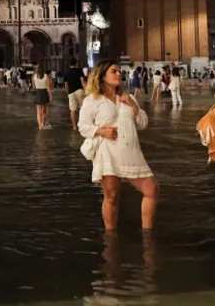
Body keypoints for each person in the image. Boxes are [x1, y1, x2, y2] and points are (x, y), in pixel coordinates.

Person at [78, 60, 157, 230]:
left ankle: (147, 234)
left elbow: (143, 123)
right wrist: (101, 131)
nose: (119, 74)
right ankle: (111, 235)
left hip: (131, 151)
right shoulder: (92, 100)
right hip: (108, 151)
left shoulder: (128, 98)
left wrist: (133, 105)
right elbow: (83, 126)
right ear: (102, 76)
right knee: (112, 196)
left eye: (119, 71)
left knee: (152, 190)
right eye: (114, 71)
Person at [64, 58, 87, 131]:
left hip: (71, 92)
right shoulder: (79, 70)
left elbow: (66, 85)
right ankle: (82, 124)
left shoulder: (66, 72)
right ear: (76, 63)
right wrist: (86, 90)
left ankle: (74, 126)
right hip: (79, 90)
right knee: (83, 108)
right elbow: (82, 81)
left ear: (69, 64)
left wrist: (68, 92)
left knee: (72, 110)